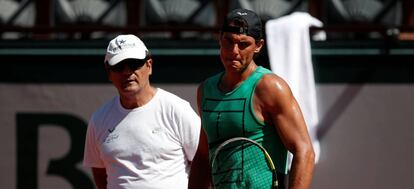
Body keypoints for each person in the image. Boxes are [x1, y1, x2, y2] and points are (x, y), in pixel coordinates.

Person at [189, 8, 315, 189]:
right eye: (228, 41)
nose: (234, 51)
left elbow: (305, 152)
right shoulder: (205, 90)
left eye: (243, 44)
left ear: (258, 46)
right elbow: (202, 156)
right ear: (220, 39)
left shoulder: (271, 87)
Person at [83, 34, 201, 189]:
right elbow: (99, 172)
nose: (127, 72)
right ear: (108, 72)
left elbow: (204, 164)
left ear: (149, 65)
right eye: (119, 66)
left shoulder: (176, 109)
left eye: (134, 64)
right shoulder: (98, 119)